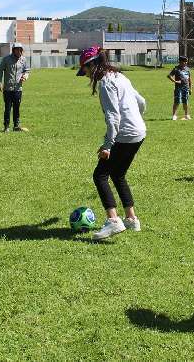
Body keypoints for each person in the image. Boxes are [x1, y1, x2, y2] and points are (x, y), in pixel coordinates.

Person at [76, 46, 146, 241]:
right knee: (118, 174)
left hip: (123, 135)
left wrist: (108, 145)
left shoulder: (106, 83)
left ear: (93, 65)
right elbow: (141, 102)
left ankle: (114, 221)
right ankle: (132, 219)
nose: (87, 75)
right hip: (139, 132)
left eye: (86, 70)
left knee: (100, 175)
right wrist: (136, 121)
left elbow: (113, 117)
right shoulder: (120, 77)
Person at [0, 42, 30, 132]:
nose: (19, 51)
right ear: (13, 50)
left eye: (20, 50)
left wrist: (25, 76)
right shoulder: (6, 59)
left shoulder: (23, 60)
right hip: (7, 89)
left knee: (17, 108)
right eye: (17, 50)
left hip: (18, 89)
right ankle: (6, 126)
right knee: (7, 108)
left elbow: (27, 71)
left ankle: (16, 126)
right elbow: (0, 72)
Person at [168, 56, 193, 120]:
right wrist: (175, 81)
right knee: (177, 101)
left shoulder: (187, 69)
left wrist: (190, 88)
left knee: (185, 101)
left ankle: (186, 115)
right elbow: (169, 76)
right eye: (185, 61)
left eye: (186, 61)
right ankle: (174, 115)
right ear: (180, 62)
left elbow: (189, 79)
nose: (186, 63)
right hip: (178, 88)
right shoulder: (176, 69)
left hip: (186, 87)